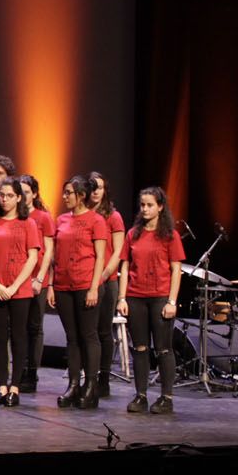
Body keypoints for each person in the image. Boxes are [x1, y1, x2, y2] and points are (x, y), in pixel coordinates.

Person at [118, 187, 186, 414]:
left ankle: (166, 397)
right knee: (140, 348)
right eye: (142, 205)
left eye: (149, 205)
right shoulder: (133, 234)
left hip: (160, 298)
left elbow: (176, 270)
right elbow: (125, 267)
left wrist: (172, 302)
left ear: (160, 207)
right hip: (136, 297)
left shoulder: (170, 235)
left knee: (163, 349)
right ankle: (141, 395)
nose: (145, 209)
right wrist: (122, 297)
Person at [0, 178, 41, 407]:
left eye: (10, 196)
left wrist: (14, 287)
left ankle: (15, 387)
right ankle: (2, 387)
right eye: (2, 195)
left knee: (19, 336)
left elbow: (32, 257)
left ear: (19, 198)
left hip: (20, 290)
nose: (4, 199)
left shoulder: (28, 224)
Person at [49, 176, 109, 409]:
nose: (64, 197)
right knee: (72, 338)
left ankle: (91, 386)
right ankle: (74, 385)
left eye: (68, 193)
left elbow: (100, 257)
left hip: (86, 284)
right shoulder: (61, 220)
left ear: (80, 196)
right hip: (64, 285)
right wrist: (53, 285)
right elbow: (55, 256)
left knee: (88, 335)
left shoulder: (96, 221)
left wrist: (94, 287)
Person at [87, 171, 127, 398]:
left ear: (105, 190)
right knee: (87, 331)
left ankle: (103, 378)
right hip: (86, 280)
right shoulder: (80, 214)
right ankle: (88, 376)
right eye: (92, 187)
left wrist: (102, 276)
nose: (95, 191)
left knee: (103, 331)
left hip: (106, 281)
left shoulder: (112, 216)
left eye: (99, 187)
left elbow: (117, 252)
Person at [15, 174, 55, 393]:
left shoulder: (43, 217)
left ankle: (32, 372)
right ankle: (18, 370)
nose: (22, 197)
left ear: (35, 194)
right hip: (18, 278)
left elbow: (49, 250)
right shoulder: (15, 216)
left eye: (26, 193)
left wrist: (40, 278)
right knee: (18, 327)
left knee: (34, 326)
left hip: (37, 280)